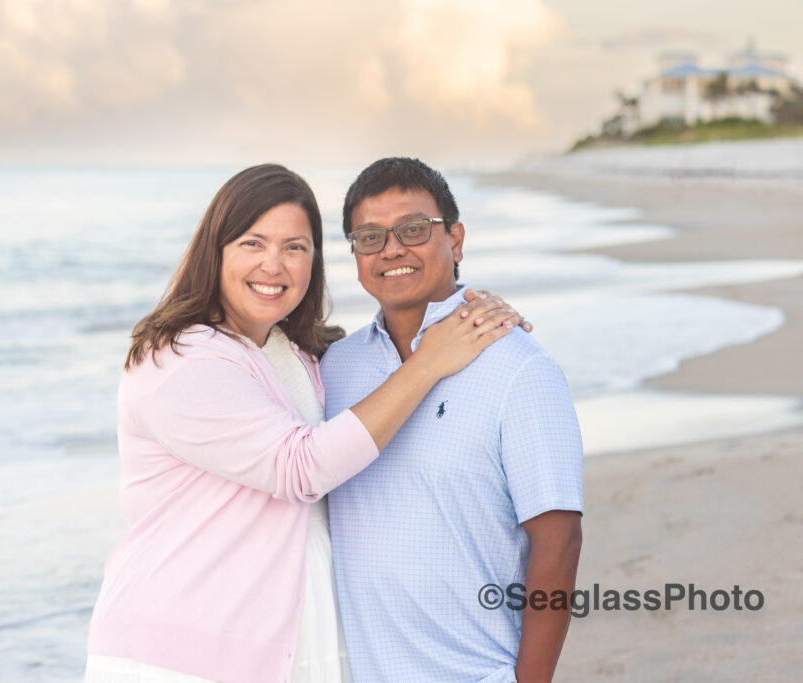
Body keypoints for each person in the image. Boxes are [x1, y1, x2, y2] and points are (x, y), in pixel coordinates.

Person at [86, 164, 526, 683]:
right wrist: (429, 360)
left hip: (284, 642)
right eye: (253, 243)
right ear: (216, 250)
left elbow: (375, 383)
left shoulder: (299, 355)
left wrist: (472, 317)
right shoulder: (180, 360)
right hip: (178, 651)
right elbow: (301, 467)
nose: (274, 265)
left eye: (294, 247)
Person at [321, 158, 583, 683]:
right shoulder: (333, 369)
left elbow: (560, 540)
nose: (392, 249)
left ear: (455, 240)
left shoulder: (521, 369)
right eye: (369, 237)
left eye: (414, 229)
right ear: (354, 256)